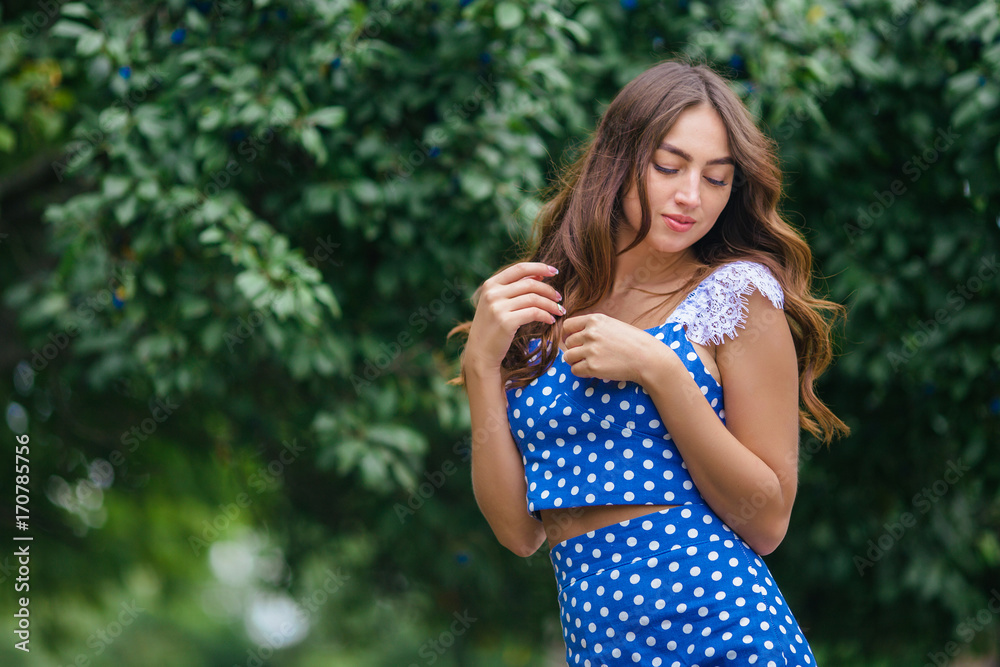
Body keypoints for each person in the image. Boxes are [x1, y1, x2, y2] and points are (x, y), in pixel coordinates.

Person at [447, 57, 849, 666]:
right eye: (669, 167)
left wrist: (661, 372)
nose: (691, 196)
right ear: (618, 159)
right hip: (600, 645)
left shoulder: (736, 297)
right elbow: (520, 533)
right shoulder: (547, 305)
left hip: (718, 634)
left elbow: (767, 521)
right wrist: (480, 366)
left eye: (717, 179)